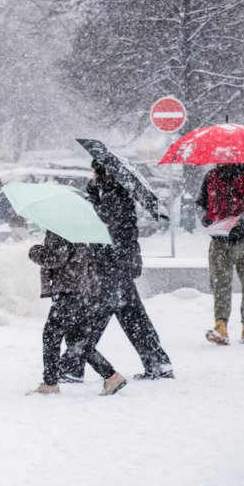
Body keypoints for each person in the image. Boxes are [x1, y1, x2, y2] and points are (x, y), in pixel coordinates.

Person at [61, 161, 173, 381]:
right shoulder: (111, 194)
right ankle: (158, 363)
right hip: (117, 265)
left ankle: (72, 366)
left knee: (93, 316)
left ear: (104, 173)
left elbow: (98, 223)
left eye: (94, 171)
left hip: (112, 265)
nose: (91, 175)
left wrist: (91, 197)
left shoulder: (117, 198)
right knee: (132, 316)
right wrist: (93, 193)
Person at [27, 229, 127, 397]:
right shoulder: (76, 231)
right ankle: (111, 377)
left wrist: (35, 251)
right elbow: (88, 263)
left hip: (68, 293)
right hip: (78, 292)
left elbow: (55, 258)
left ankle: (50, 384)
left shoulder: (60, 229)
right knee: (78, 341)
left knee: (51, 337)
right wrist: (91, 291)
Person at [196, 163, 244, 345]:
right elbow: (200, 203)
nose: (223, 158)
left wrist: (239, 220)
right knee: (220, 284)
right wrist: (206, 218)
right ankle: (220, 325)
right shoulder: (211, 176)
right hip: (219, 240)